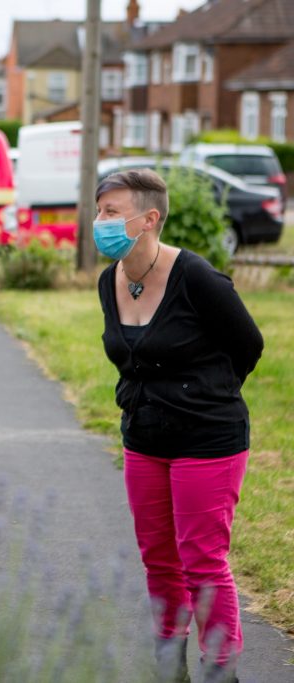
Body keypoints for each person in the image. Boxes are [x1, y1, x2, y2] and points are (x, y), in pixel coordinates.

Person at [94, 169, 263, 683]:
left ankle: (221, 673)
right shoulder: (111, 280)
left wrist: (204, 395)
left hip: (207, 440)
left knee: (203, 564)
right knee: (160, 562)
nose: (99, 222)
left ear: (149, 219)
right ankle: (170, 669)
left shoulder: (198, 279)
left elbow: (248, 345)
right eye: (98, 210)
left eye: (111, 212)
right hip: (144, 439)